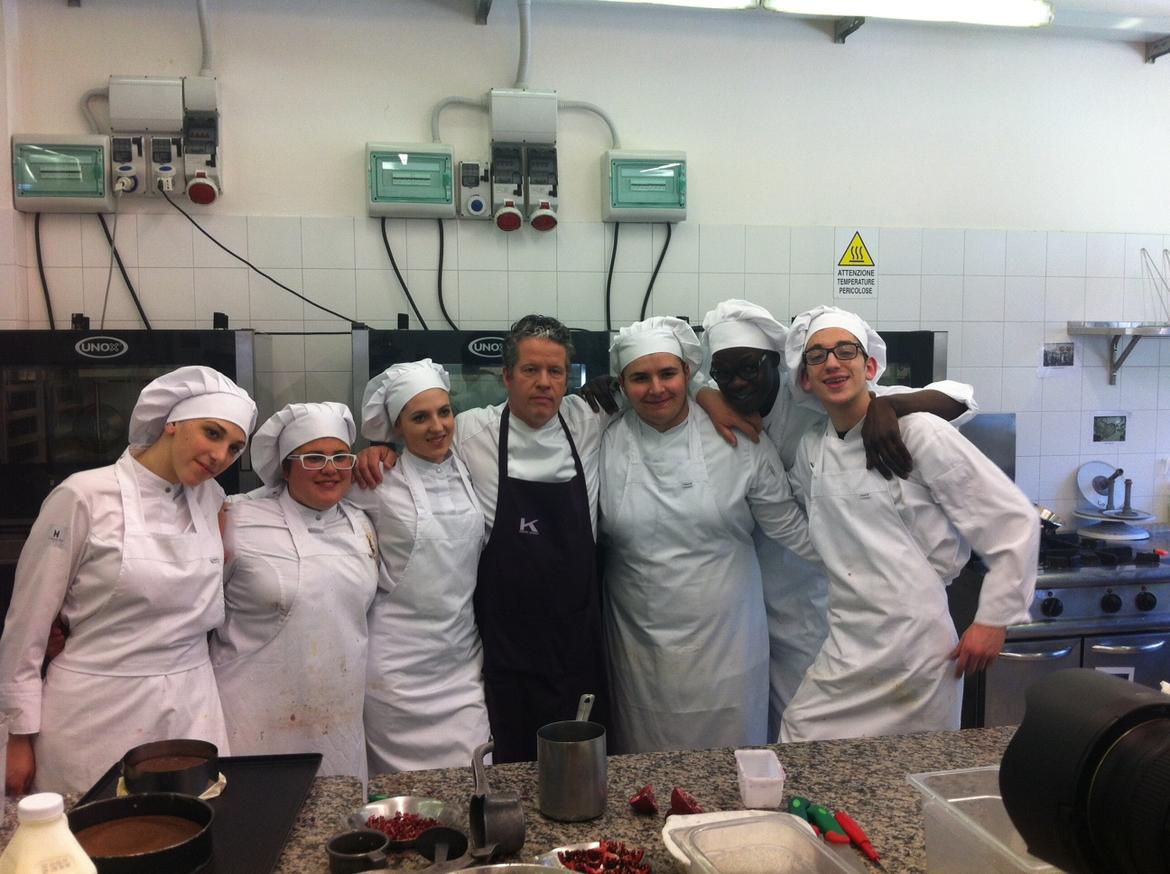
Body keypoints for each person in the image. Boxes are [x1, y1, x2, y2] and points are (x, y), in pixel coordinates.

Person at [700, 299, 977, 738]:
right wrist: (705, 396)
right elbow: (675, 382)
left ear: (778, 364)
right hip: (766, 590)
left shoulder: (812, 398)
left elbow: (959, 399)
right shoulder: (720, 401)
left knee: (839, 723)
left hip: (838, 589)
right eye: (723, 375)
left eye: (749, 368)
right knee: (785, 720)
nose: (737, 383)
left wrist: (892, 406)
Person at [778, 307, 1037, 742]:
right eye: (817, 356)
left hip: (916, 647)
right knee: (800, 738)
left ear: (870, 366)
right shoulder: (811, 450)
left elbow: (1012, 520)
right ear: (806, 379)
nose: (832, 363)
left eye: (845, 351)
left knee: (911, 766)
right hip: (846, 642)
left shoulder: (918, 432)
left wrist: (994, 619)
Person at [0, 366, 256, 794]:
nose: (220, 456)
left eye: (234, 447)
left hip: (192, 704)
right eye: (211, 433)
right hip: (95, 708)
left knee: (199, 822)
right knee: (93, 826)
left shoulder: (213, 499)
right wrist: (18, 735)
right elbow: (26, 624)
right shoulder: (82, 496)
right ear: (172, 423)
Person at [600, 316, 819, 754]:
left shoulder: (740, 439)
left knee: (731, 759)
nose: (656, 389)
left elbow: (789, 526)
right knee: (646, 759)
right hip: (638, 643)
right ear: (622, 384)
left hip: (729, 638)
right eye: (640, 378)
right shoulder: (603, 440)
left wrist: (866, 562)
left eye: (668, 374)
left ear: (687, 373)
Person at [211, 402, 378, 780]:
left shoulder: (362, 524)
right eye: (313, 458)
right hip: (252, 715)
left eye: (340, 457)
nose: (330, 469)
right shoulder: (235, 520)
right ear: (286, 469)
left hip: (338, 714)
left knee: (337, 804)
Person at [349, 360, 491, 773]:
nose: (437, 427)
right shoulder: (375, 480)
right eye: (419, 418)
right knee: (399, 793)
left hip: (461, 659)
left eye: (444, 412)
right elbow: (308, 495)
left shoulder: (471, 465)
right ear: (396, 428)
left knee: (474, 773)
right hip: (395, 669)